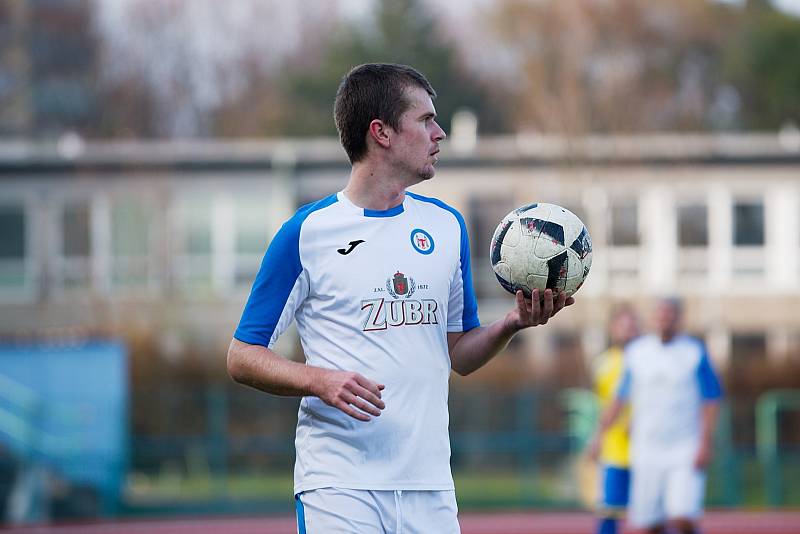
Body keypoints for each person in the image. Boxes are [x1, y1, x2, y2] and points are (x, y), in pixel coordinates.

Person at [227, 63, 574, 533]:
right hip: (339, 484)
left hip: (429, 486)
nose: (440, 132)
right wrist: (318, 381)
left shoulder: (447, 227)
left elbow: (460, 355)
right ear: (382, 132)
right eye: (426, 119)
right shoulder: (306, 233)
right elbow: (242, 356)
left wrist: (511, 323)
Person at [589, 298, 723, 534]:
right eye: (660, 315)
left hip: (685, 448)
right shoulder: (638, 353)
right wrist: (599, 436)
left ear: (679, 319)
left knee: (682, 517)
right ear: (653, 319)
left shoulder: (693, 351)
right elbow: (619, 399)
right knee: (650, 524)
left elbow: (711, 399)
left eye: (670, 315)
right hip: (646, 449)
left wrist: (705, 442)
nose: (664, 320)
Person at [589, 305, 640, 534]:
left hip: (645, 448)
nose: (628, 331)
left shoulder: (646, 359)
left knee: (654, 514)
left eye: (632, 326)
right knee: (608, 512)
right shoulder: (601, 364)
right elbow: (602, 406)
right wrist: (597, 438)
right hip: (613, 450)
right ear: (613, 329)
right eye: (623, 326)